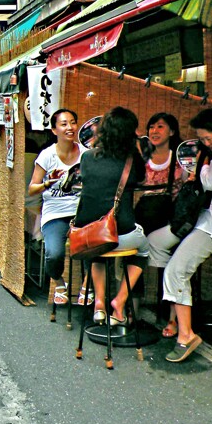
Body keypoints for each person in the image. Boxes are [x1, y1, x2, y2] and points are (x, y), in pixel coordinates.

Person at [147, 107, 212, 363]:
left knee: (176, 271)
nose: (205, 143)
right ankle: (171, 313)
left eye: (208, 138)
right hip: (206, 220)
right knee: (157, 243)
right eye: (201, 139)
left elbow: (210, 182)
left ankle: (186, 334)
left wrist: (200, 170)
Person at [73, 107, 150, 324]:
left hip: (91, 236)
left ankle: (99, 304)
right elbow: (140, 179)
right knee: (144, 251)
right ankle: (120, 300)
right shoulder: (130, 159)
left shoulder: (87, 158)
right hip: (122, 234)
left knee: (97, 252)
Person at [134, 112, 187, 337]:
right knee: (133, 254)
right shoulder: (141, 157)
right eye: (151, 127)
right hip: (144, 217)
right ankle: (132, 312)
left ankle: (173, 318)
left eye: (161, 127)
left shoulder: (181, 159)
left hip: (169, 221)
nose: (154, 131)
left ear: (172, 132)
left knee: (176, 261)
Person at [26, 108, 83, 305]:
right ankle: (59, 282)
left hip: (82, 212)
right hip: (55, 214)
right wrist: (47, 183)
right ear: (54, 130)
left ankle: (87, 285)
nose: (70, 127)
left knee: (97, 247)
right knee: (54, 253)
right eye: (64, 124)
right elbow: (32, 189)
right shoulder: (47, 155)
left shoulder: (86, 153)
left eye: (73, 122)